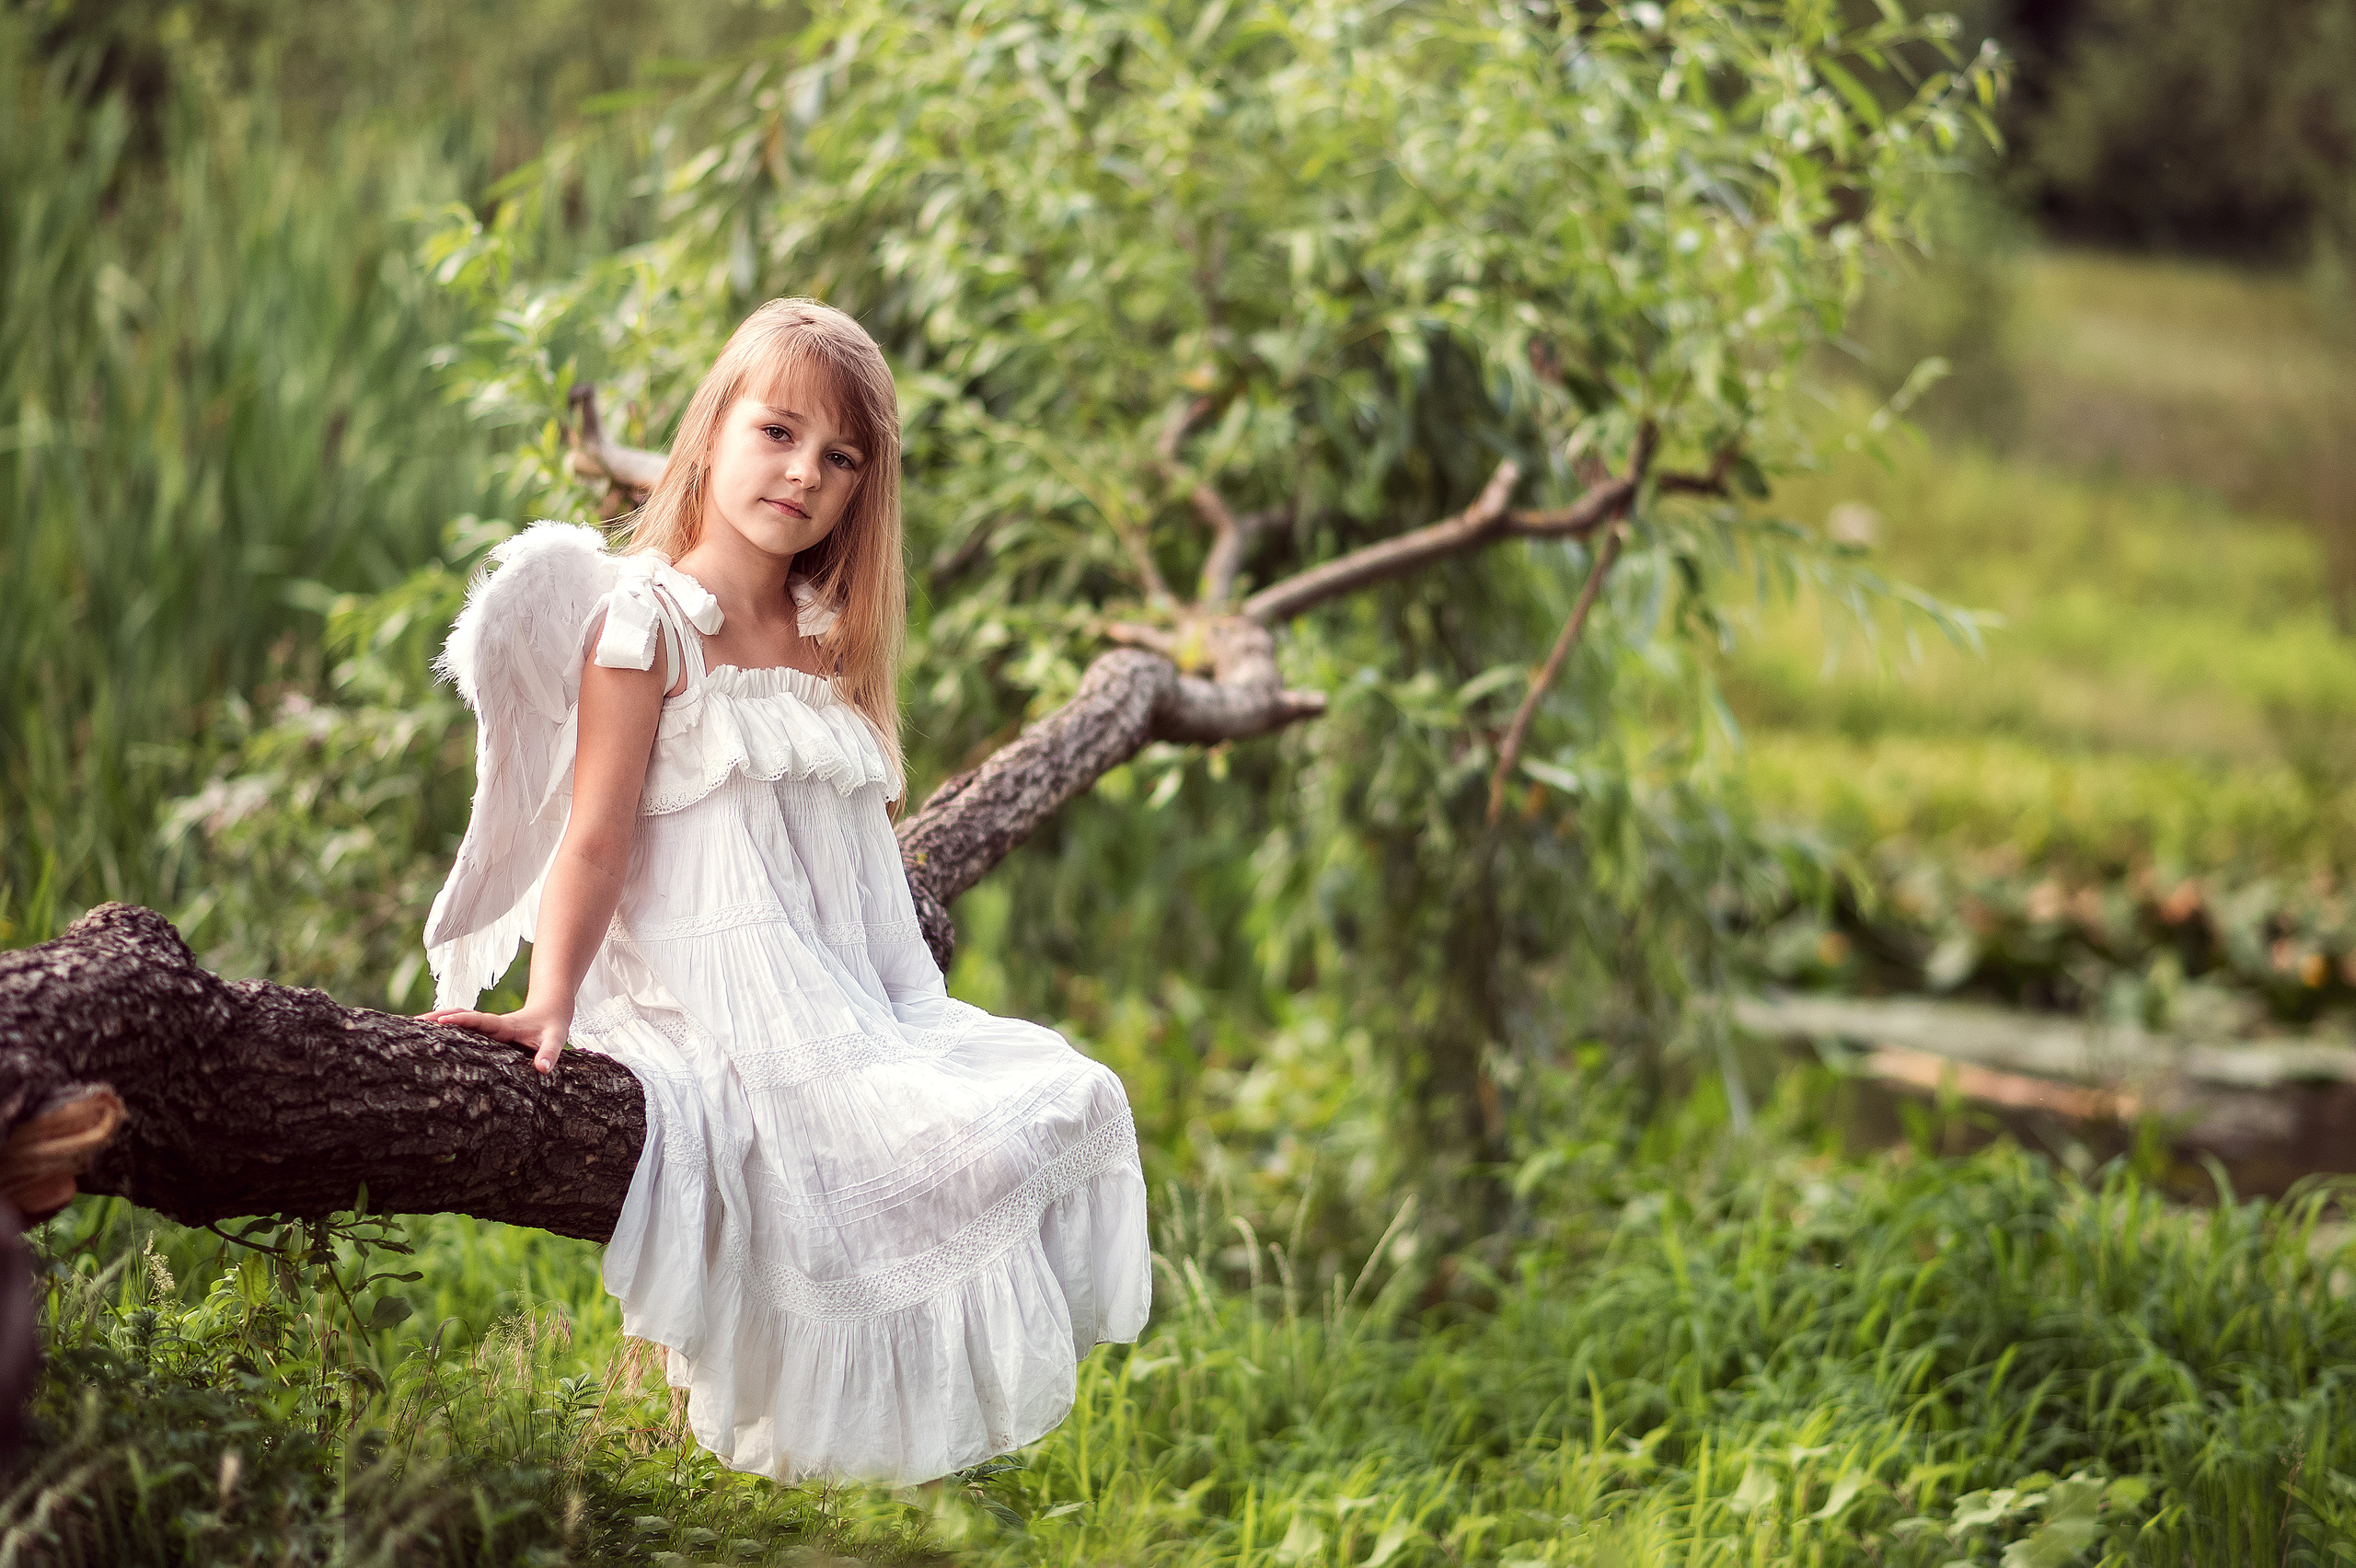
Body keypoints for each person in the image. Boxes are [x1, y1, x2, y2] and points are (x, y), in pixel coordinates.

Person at [417, 298, 1151, 1485]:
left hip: (837, 994)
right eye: (778, 432)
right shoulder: (643, 624)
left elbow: (838, 855)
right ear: (714, 433)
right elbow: (594, 837)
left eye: (841, 456)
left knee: (1070, 1096)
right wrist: (551, 995)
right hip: (709, 993)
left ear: (864, 487)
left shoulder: (824, 634)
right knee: (880, 1161)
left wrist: (882, 1000)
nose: (804, 473)